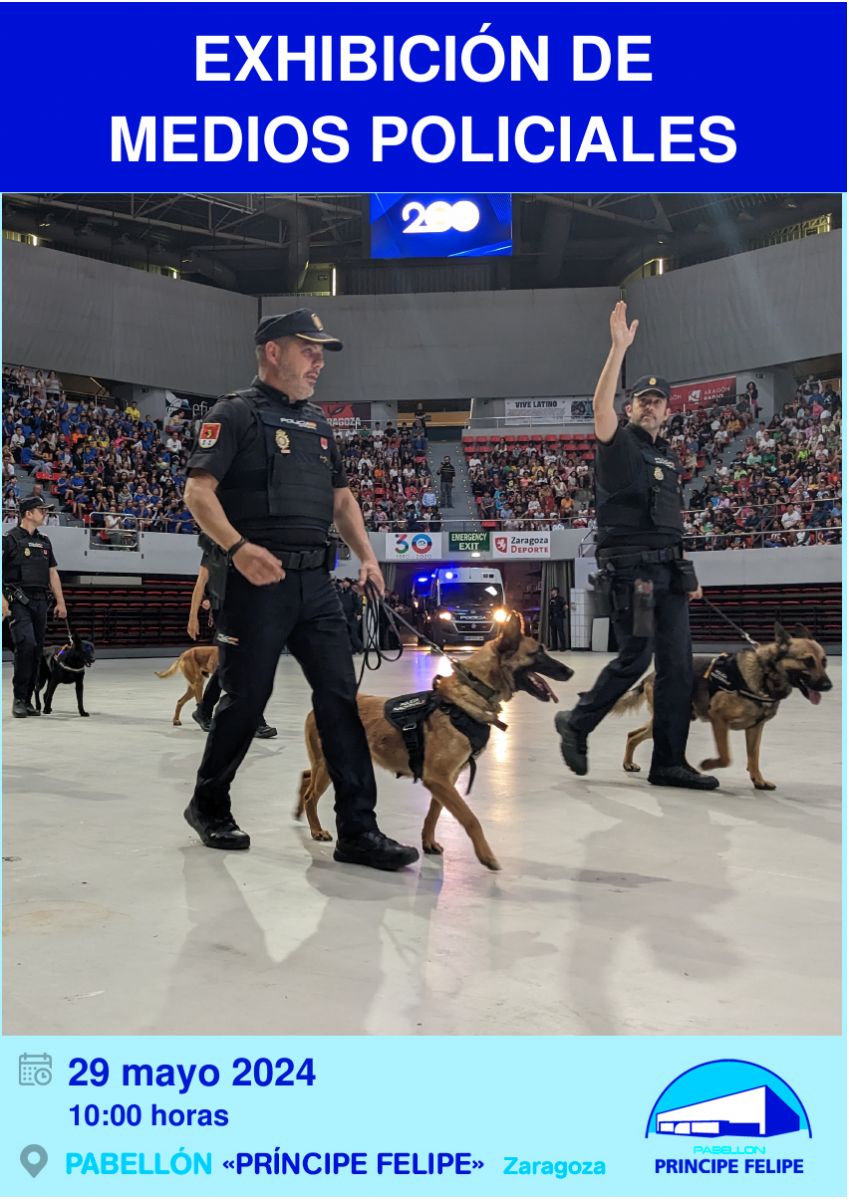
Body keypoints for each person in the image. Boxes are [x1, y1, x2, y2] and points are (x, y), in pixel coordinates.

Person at [181, 308, 418, 870]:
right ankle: (207, 804)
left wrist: (366, 555)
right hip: (254, 584)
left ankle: (358, 830)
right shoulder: (233, 414)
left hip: (316, 584)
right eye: (308, 349)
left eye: (321, 353)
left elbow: (342, 500)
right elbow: (198, 492)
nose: (318, 362)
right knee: (246, 701)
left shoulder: (319, 424)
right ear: (272, 351)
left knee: (339, 700)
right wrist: (239, 548)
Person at [554, 301, 718, 790]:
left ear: (668, 410)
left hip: (668, 576)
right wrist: (617, 349)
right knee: (638, 657)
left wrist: (687, 574)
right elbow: (599, 407)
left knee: (677, 668)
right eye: (642, 399)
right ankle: (577, 721)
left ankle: (668, 761)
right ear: (631, 408)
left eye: (657, 400)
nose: (649, 405)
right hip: (637, 579)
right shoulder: (619, 445)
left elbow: (670, 523)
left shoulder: (666, 458)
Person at [187, 556, 277, 738]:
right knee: (232, 664)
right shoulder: (215, 546)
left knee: (240, 665)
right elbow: (200, 583)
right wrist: (193, 616)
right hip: (226, 615)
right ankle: (253, 718)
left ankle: (205, 710)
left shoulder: (247, 543)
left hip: (248, 612)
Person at [2, 495, 68, 717]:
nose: (45, 513)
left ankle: (29, 699)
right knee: (26, 644)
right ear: (28, 513)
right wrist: (2, 599)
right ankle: (19, 698)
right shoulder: (9, 539)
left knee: (37, 650)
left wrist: (60, 601)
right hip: (17, 601)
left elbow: (52, 572)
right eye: (42, 510)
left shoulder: (45, 541)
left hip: (41, 602)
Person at [337, 577, 363, 653]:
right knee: (346, 634)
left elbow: (358, 604)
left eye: (345, 581)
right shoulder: (340, 593)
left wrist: (358, 613)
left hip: (352, 616)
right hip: (344, 616)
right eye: (343, 582)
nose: (344, 583)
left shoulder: (352, 593)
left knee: (353, 634)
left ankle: (359, 646)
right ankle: (352, 649)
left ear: (349, 583)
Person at [547, 586, 567, 652]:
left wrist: (561, 612)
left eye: (552, 590)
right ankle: (554, 646)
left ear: (556, 591)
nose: (551, 592)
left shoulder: (560, 598)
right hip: (552, 618)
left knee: (560, 632)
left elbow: (566, 606)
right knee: (553, 632)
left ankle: (563, 646)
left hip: (559, 617)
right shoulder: (551, 600)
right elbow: (550, 609)